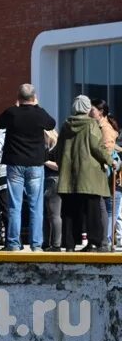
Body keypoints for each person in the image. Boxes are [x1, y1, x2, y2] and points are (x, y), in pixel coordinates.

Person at [0, 84, 56, 251]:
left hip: (14, 164)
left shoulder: (12, 113)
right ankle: (36, 245)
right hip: (35, 164)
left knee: (15, 205)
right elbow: (51, 124)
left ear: (18, 97)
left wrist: (15, 107)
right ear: (34, 97)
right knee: (36, 206)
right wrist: (37, 106)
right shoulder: (39, 113)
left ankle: (13, 243)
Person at [52, 95, 112, 251]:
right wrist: (111, 161)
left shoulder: (66, 126)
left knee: (69, 211)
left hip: (69, 175)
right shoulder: (91, 124)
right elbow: (97, 148)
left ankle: (70, 244)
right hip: (90, 176)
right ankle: (94, 243)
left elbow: (58, 150)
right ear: (86, 108)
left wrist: (61, 164)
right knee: (92, 211)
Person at [89, 98, 121, 248]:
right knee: (108, 208)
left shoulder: (105, 128)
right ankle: (105, 239)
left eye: (92, 109)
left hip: (107, 173)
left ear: (100, 112)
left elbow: (108, 150)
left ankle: (106, 239)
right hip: (105, 171)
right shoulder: (99, 126)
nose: (90, 112)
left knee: (108, 208)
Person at [41, 129, 62, 252]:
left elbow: (59, 166)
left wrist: (45, 161)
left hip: (54, 180)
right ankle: (47, 242)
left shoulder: (57, 148)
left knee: (54, 214)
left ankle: (56, 244)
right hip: (47, 180)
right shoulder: (47, 148)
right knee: (46, 214)